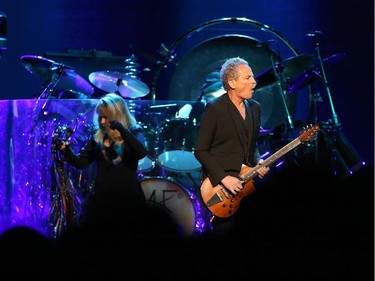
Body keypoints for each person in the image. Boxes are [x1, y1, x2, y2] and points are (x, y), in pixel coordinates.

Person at [194, 57, 270, 237]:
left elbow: (252, 146)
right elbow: (200, 150)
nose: (254, 82)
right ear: (232, 82)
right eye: (248, 77)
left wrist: (258, 161)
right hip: (221, 189)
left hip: (247, 185)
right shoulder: (215, 108)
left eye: (253, 77)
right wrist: (224, 178)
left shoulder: (255, 108)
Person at [59, 93, 149, 233]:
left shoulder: (134, 132)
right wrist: (66, 150)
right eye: (100, 116)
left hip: (127, 200)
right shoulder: (98, 135)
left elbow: (141, 152)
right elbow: (81, 162)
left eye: (105, 117)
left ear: (116, 116)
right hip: (102, 199)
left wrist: (121, 129)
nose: (102, 122)